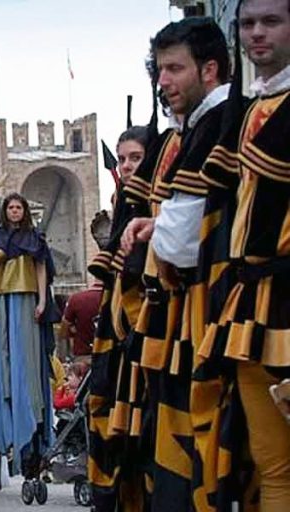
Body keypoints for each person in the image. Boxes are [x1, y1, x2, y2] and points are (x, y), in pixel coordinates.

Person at [119, 17, 230, 512]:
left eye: (173, 69)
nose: (162, 82)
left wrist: (157, 232)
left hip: (207, 310)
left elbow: (184, 243)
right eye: (159, 71)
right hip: (187, 311)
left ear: (209, 70)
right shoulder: (197, 129)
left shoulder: (216, 125)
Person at [196, 1, 290, 509]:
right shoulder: (252, 107)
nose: (256, 33)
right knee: (273, 465)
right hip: (251, 305)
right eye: (248, 23)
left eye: (271, 21)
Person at [87, 125, 155, 512]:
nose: (126, 166)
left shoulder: (154, 203)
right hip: (115, 332)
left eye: (135, 158)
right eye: (122, 158)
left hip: (145, 331)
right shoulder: (124, 202)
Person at [0, 192, 56, 476]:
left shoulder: (35, 238)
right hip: (2, 300)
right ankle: (9, 418)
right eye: (10, 207)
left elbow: (41, 270)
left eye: (18, 207)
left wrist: (41, 301)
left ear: (24, 210)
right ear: (5, 211)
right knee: (2, 356)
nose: (14, 211)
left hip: (26, 300)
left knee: (27, 357)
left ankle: (31, 419)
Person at [61, 281, 103, 362]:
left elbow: (63, 330)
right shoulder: (116, 299)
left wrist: (71, 333)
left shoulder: (76, 299)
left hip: (82, 356)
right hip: (109, 356)